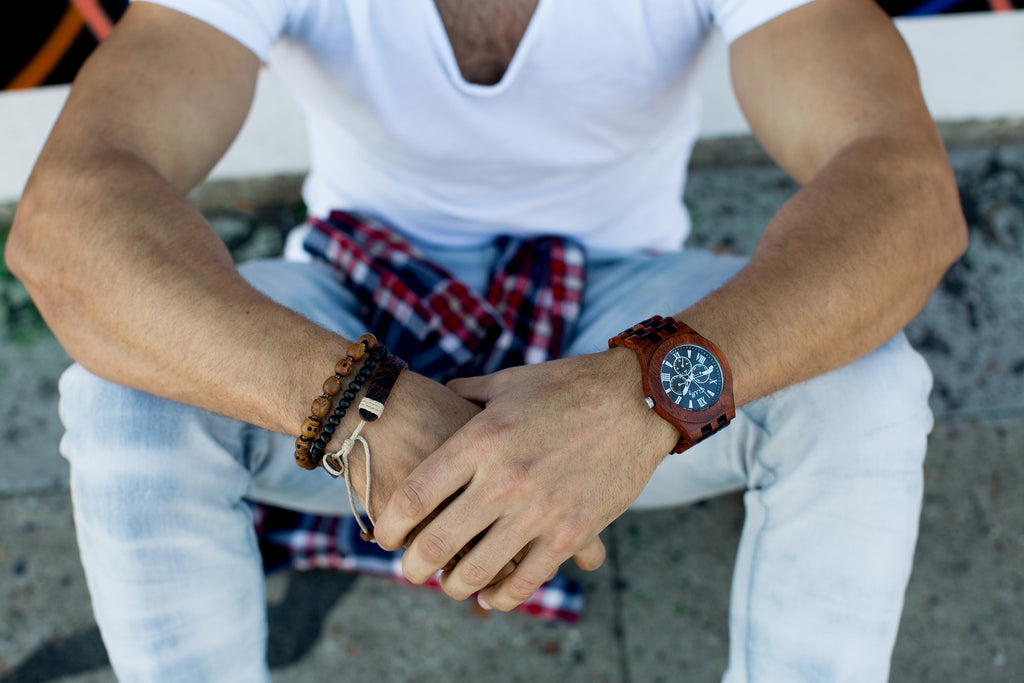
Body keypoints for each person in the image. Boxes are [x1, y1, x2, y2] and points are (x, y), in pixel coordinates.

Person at [5, 0, 966, 680]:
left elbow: (904, 192)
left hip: (614, 304)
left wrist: (643, 394)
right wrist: (348, 399)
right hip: (360, 289)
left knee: (865, 381)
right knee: (124, 390)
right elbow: (68, 222)